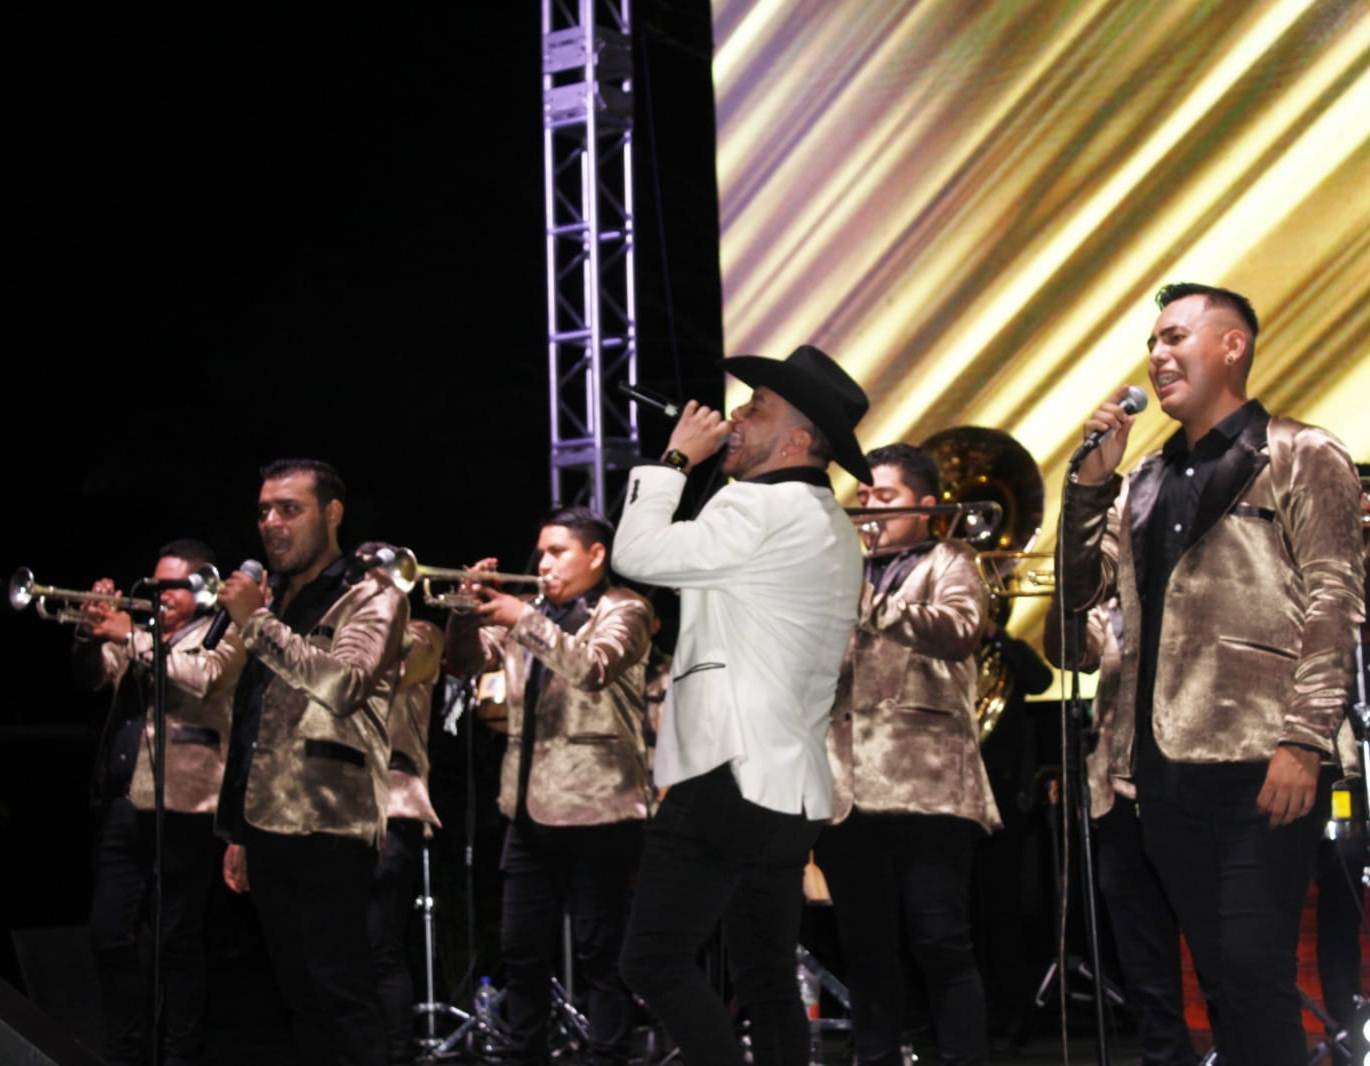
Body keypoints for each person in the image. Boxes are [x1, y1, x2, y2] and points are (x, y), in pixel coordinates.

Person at [1059, 283, 1365, 1066]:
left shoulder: (1300, 452)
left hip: (1261, 758)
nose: (1157, 358)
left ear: (1233, 346)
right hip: (1159, 771)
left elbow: (1335, 598)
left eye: (1175, 338)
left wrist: (1304, 738)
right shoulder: (1143, 479)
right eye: (1152, 344)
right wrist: (1090, 487)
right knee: (1222, 984)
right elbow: (1075, 606)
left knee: (1256, 978)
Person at [613, 344, 869, 1066]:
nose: (735, 418)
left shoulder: (762, 503)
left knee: (652, 960)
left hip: (728, 773)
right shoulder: (826, 520)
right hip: (784, 788)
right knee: (764, 976)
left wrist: (672, 462)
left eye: (756, 409)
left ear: (795, 441)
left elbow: (637, 554)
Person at [216, 458, 409, 1066]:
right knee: (299, 999)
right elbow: (252, 720)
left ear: (332, 514)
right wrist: (238, 830)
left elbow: (346, 683)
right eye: (264, 511)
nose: (271, 523)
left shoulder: (369, 593)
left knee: (341, 993)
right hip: (267, 820)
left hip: (330, 820)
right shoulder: (280, 599)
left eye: (289, 509)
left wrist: (257, 621)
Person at [445, 506, 653, 1066]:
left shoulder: (626, 609)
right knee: (521, 950)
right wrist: (467, 609)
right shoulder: (529, 612)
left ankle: (609, 1056)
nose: (543, 563)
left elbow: (594, 667)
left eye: (558, 551)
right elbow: (462, 664)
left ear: (596, 555)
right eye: (541, 551)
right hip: (528, 809)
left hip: (601, 807)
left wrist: (520, 620)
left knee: (601, 952)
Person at [817, 442, 999, 1066]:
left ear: (925, 507)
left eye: (884, 497)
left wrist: (862, 602)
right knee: (865, 950)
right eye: (863, 497)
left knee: (940, 942)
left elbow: (958, 628)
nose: (868, 509)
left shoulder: (952, 558)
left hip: (929, 787)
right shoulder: (845, 571)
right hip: (847, 790)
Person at [73, 538, 245, 1066]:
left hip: (188, 808)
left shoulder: (227, 632)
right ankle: (125, 1053)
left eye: (171, 587)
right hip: (126, 806)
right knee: (109, 933)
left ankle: (178, 1055)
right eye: (156, 585)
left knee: (176, 943)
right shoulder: (142, 633)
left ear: (201, 588)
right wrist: (89, 628)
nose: (159, 596)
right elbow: (92, 677)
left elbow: (204, 679)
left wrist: (132, 635)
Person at [1045, 596, 1199, 1066]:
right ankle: (1166, 1055)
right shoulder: (1105, 603)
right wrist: (1070, 572)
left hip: (1190, 781)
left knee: (1215, 947)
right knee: (1142, 952)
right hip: (1117, 788)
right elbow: (1069, 653)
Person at [370, 618, 445, 1064]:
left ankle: (395, 1055)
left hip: (392, 806)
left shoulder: (420, 634)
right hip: (332, 810)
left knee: (380, 947)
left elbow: (370, 674)